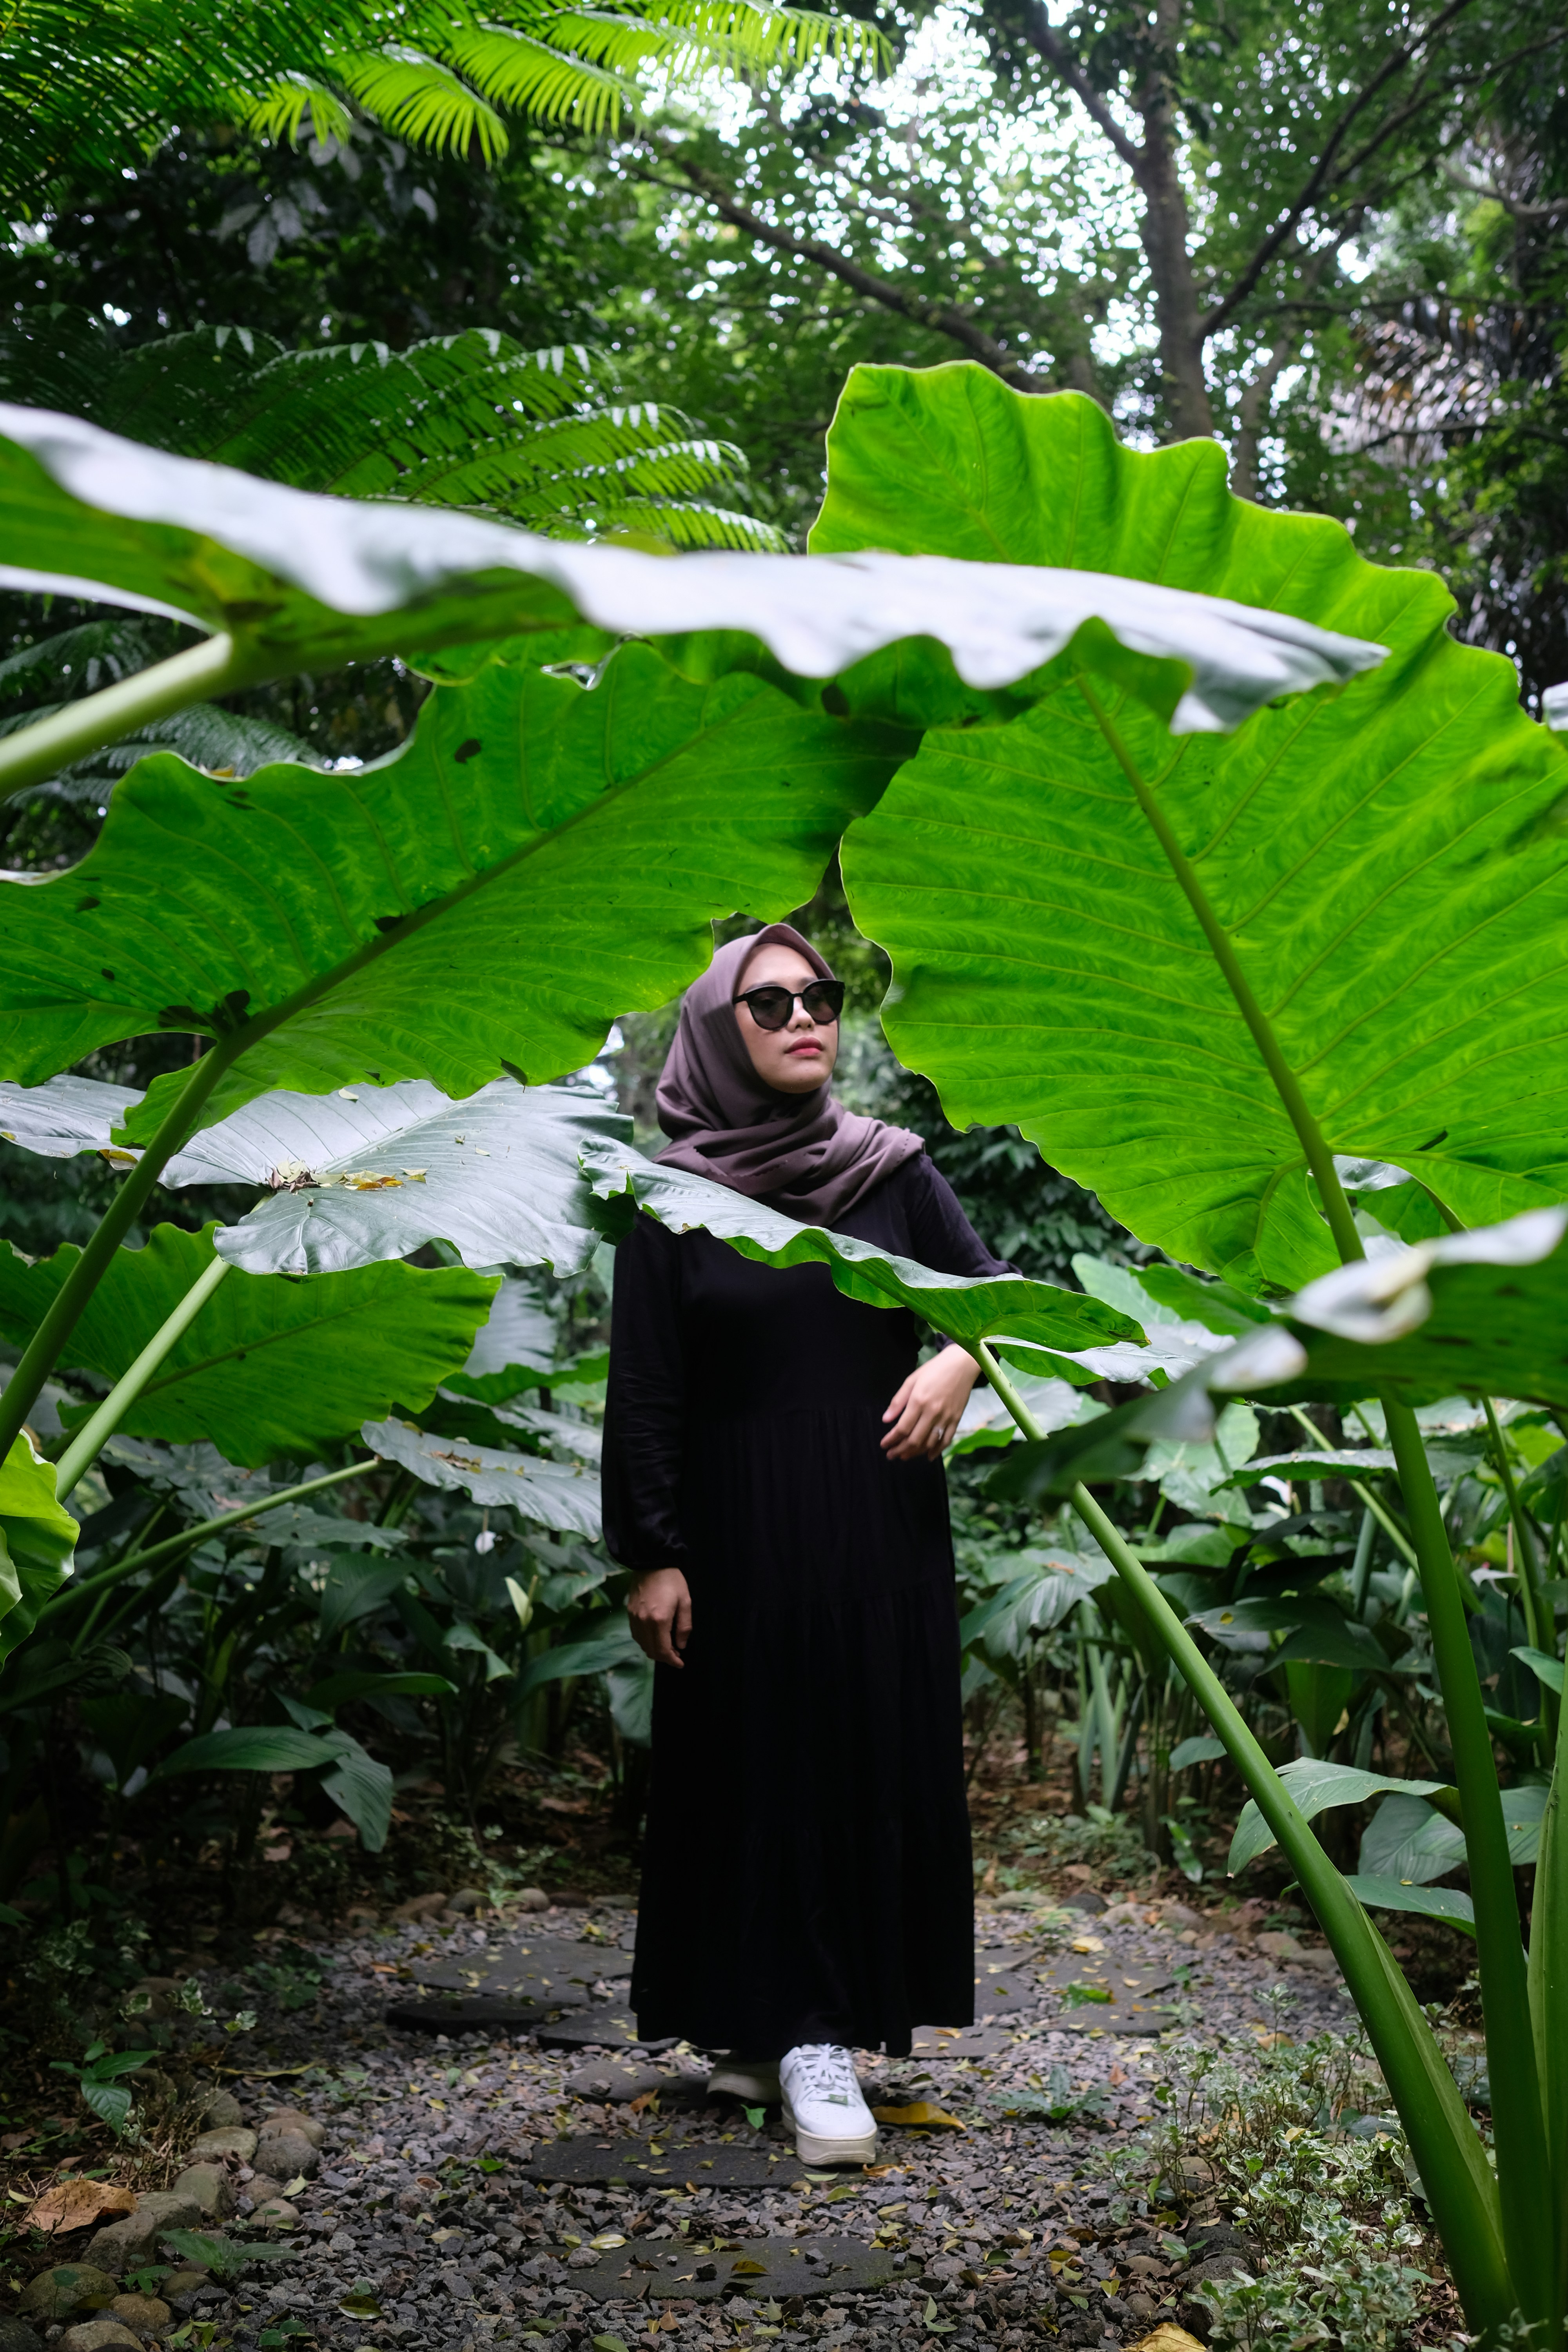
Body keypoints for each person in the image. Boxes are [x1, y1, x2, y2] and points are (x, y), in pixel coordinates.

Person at [601, 922, 1013, 2164]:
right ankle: (755, 2022)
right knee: (745, 1767)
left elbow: (997, 1299)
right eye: (770, 1003)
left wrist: (958, 1358)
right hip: (735, 1537)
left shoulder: (891, 1169)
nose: (803, 1019)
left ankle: (823, 2034)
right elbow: (647, 1388)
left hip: (875, 1528)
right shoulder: (674, 1200)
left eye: (820, 998)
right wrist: (651, 1552)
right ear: (716, 1033)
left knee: (851, 1758)